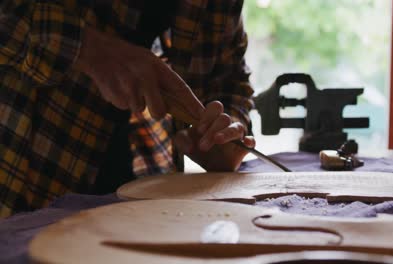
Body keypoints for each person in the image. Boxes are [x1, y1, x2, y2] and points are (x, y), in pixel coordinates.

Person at [0, 0, 255, 217]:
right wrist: (86, 48)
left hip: (145, 202)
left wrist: (225, 131)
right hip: (19, 184)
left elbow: (230, 78)